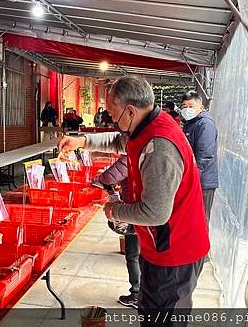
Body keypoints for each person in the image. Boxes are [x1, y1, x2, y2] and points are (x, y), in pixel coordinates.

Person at [58, 77, 209, 326]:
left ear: (130, 110)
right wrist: (82, 141)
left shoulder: (159, 146)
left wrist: (114, 210)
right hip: (159, 244)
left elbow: (156, 213)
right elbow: (119, 142)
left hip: (175, 252)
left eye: (113, 115)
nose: (113, 121)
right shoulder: (143, 128)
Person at [92, 155, 140, 309]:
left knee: (133, 256)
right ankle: (144, 294)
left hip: (137, 212)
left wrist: (99, 179)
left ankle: (137, 294)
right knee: (145, 255)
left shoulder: (135, 150)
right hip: (147, 212)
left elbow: (108, 177)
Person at [180, 91, 218, 224]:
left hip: (203, 181)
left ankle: (203, 245)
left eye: (191, 106)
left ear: (201, 108)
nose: (187, 109)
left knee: (201, 220)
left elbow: (205, 156)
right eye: (184, 106)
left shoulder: (205, 124)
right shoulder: (190, 123)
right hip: (194, 178)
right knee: (192, 219)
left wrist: (193, 178)